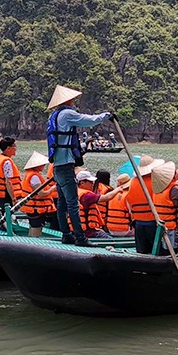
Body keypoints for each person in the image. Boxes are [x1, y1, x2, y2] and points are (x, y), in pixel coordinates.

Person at [46, 85, 112, 247]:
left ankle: (66, 235)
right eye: (72, 98)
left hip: (57, 167)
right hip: (67, 166)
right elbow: (88, 120)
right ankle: (81, 238)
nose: (74, 101)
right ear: (67, 100)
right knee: (73, 204)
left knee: (62, 203)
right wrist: (106, 116)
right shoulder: (67, 114)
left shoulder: (53, 116)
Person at [126, 158, 177, 255]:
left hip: (139, 223)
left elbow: (129, 202)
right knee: (158, 252)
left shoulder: (133, 181)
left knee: (142, 253)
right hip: (153, 223)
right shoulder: (155, 182)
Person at [76, 171, 126, 239]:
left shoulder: (74, 192)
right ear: (82, 183)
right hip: (89, 232)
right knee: (110, 240)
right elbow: (106, 198)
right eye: (90, 182)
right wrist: (117, 190)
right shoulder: (87, 195)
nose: (93, 184)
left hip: (78, 230)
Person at [18, 151, 57, 237]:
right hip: (35, 208)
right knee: (36, 228)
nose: (44, 166)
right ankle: (33, 243)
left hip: (33, 207)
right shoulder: (34, 177)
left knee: (33, 226)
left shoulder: (30, 174)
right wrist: (52, 189)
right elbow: (41, 193)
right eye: (42, 165)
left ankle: (31, 241)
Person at [0, 137, 21, 212]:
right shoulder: (7, 162)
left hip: (0, 194)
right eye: (14, 146)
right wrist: (13, 198)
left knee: (1, 214)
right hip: (6, 194)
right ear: (8, 148)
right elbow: (8, 182)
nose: (16, 148)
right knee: (6, 215)